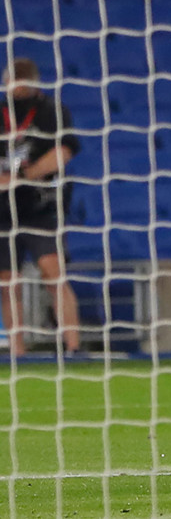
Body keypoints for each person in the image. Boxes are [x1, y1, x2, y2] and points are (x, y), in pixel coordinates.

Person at [0, 57, 82, 357]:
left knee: (53, 272)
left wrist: (21, 177)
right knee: (7, 281)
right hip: (2, 212)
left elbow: (64, 152)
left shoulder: (51, 111)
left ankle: (73, 346)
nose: (14, 87)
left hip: (42, 206)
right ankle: (17, 350)